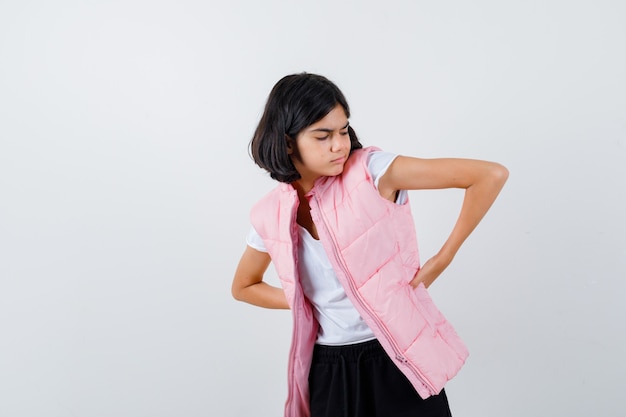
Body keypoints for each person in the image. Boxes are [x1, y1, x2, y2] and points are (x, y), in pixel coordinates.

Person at [231, 73, 508, 417]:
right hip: (329, 369)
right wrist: (305, 300)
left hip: (396, 357)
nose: (339, 145)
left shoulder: (372, 171)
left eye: (343, 131)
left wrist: (444, 257)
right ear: (288, 143)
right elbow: (244, 286)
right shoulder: (270, 212)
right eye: (323, 135)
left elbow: (488, 175)